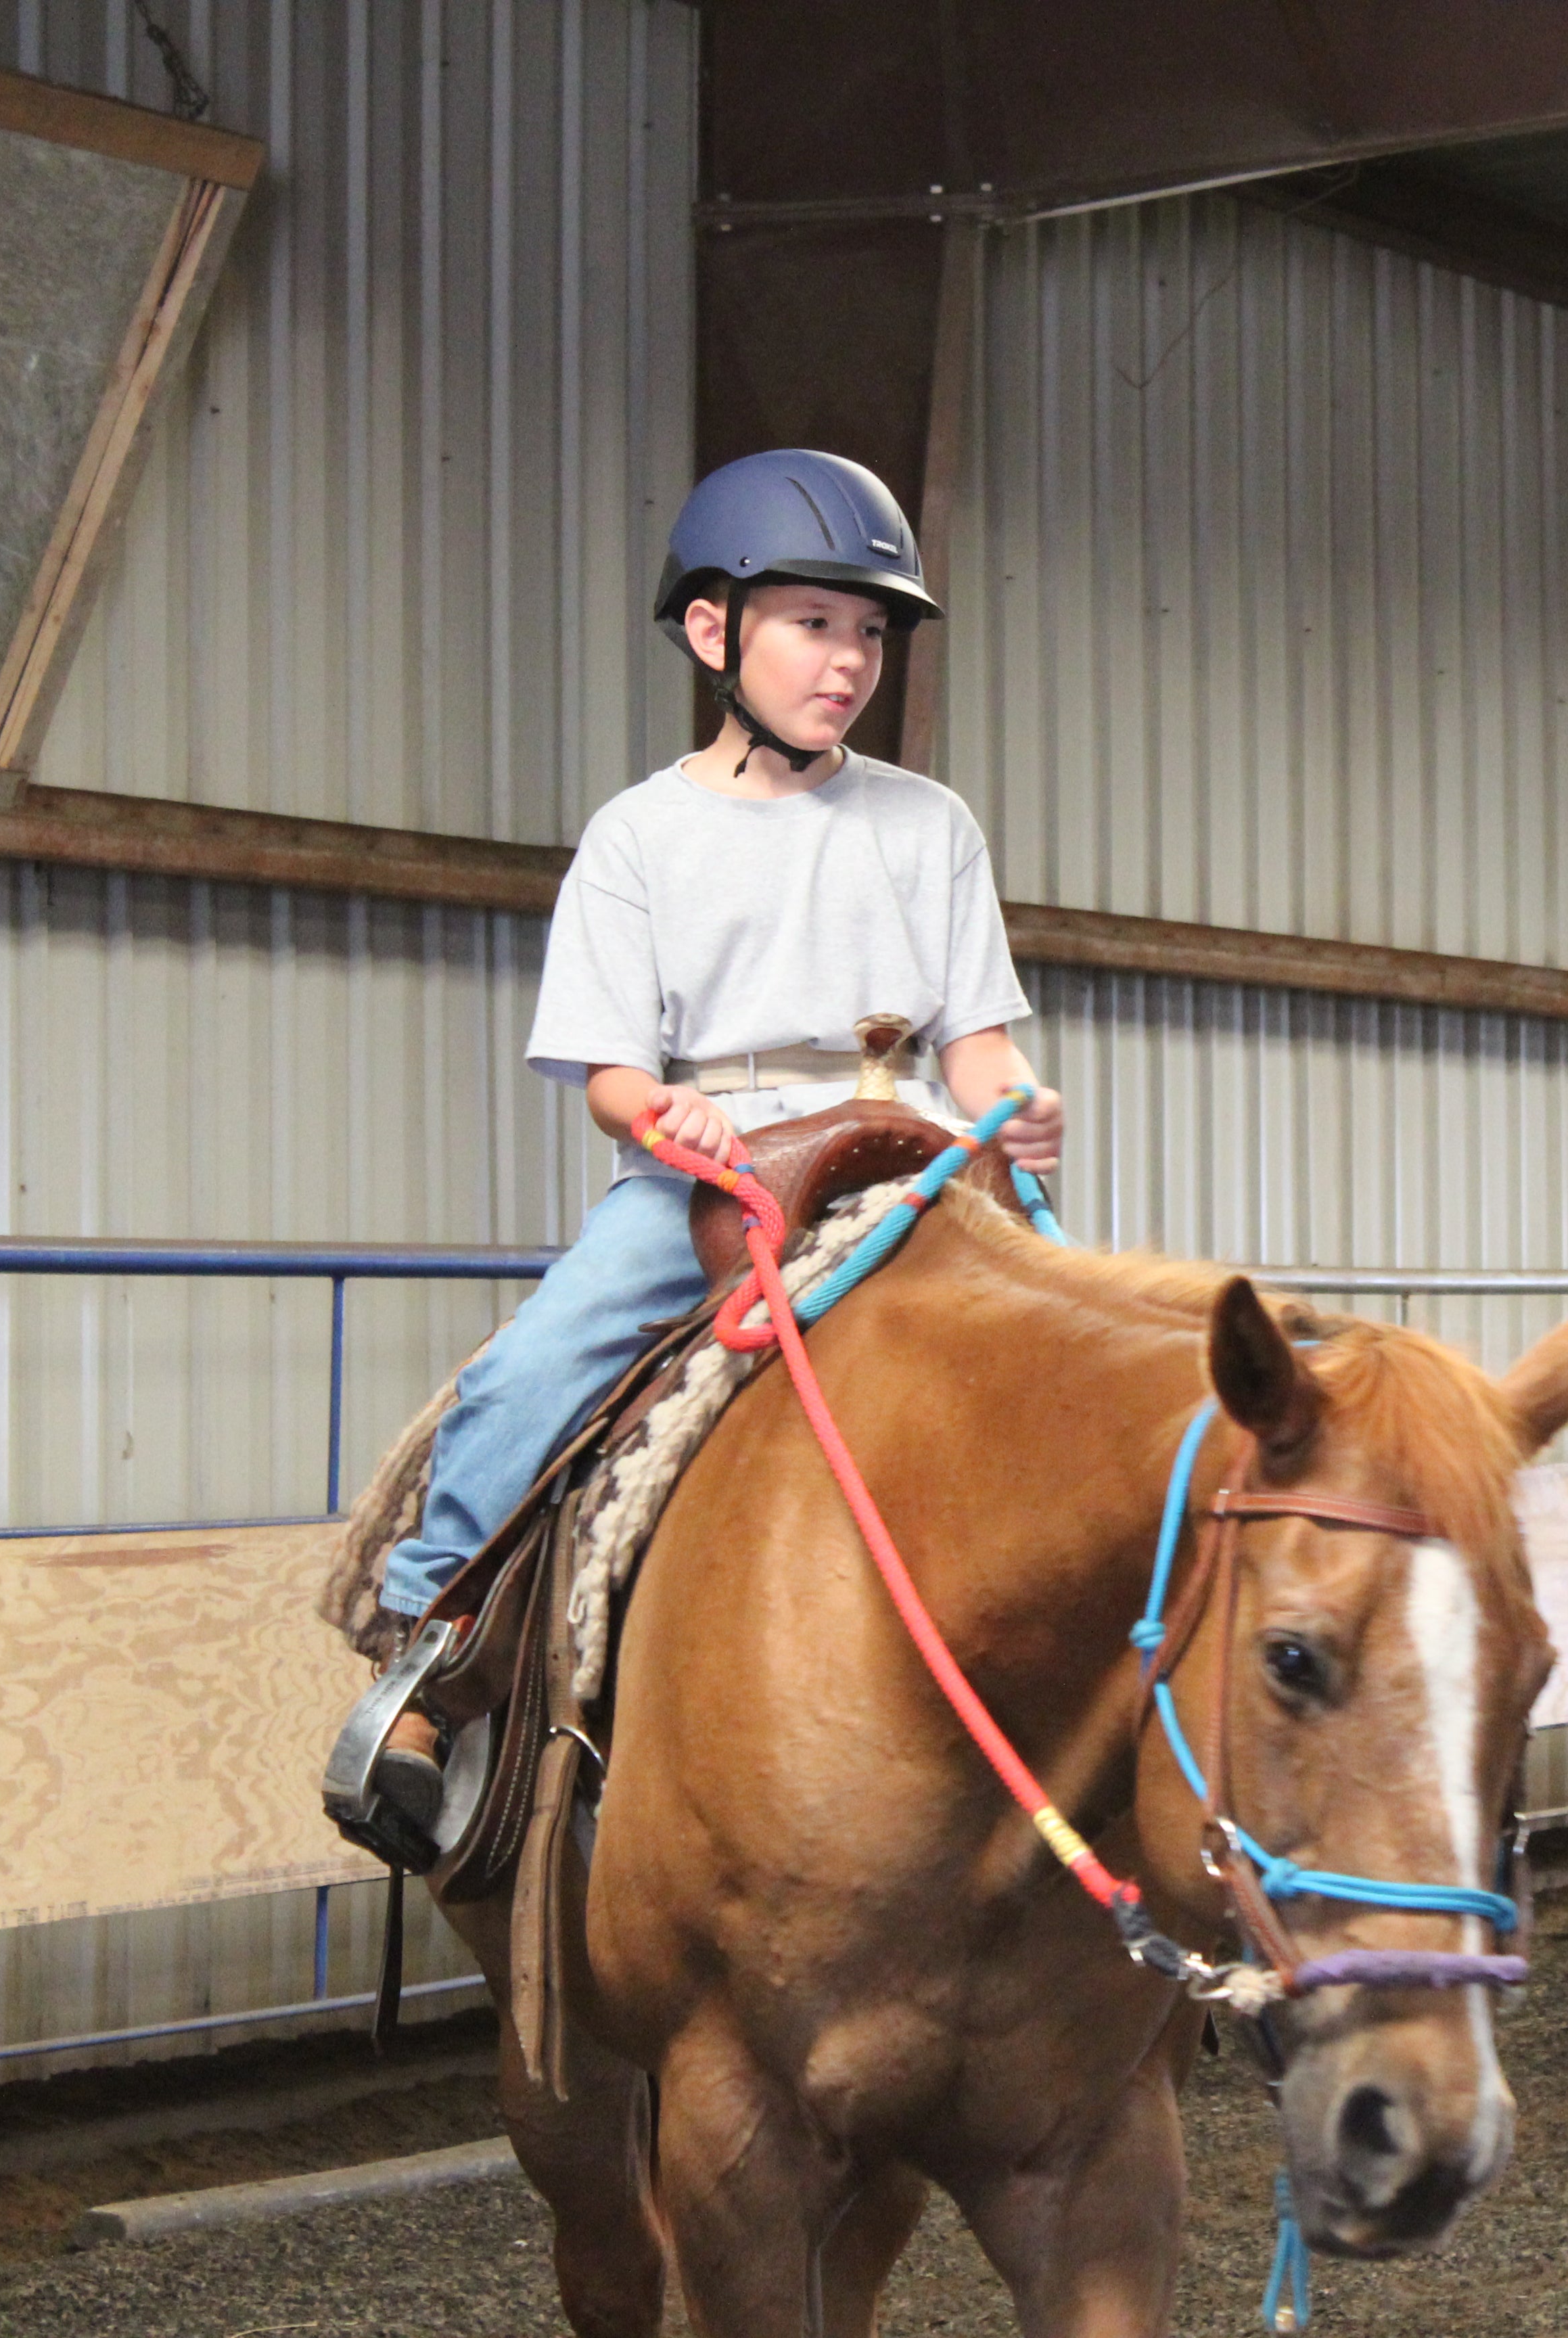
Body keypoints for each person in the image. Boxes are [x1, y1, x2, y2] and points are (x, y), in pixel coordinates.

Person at [356, 447, 1063, 1839]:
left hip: (906, 1140)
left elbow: (975, 1033)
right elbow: (612, 1075)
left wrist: (1018, 1100)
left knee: (1092, 1343)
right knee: (532, 1373)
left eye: (870, 632)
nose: (849, 661)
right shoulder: (642, 837)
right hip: (717, 1164)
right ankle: (427, 1655)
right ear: (712, 631)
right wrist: (660, 1113)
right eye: (814, 623)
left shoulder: (931, 827)